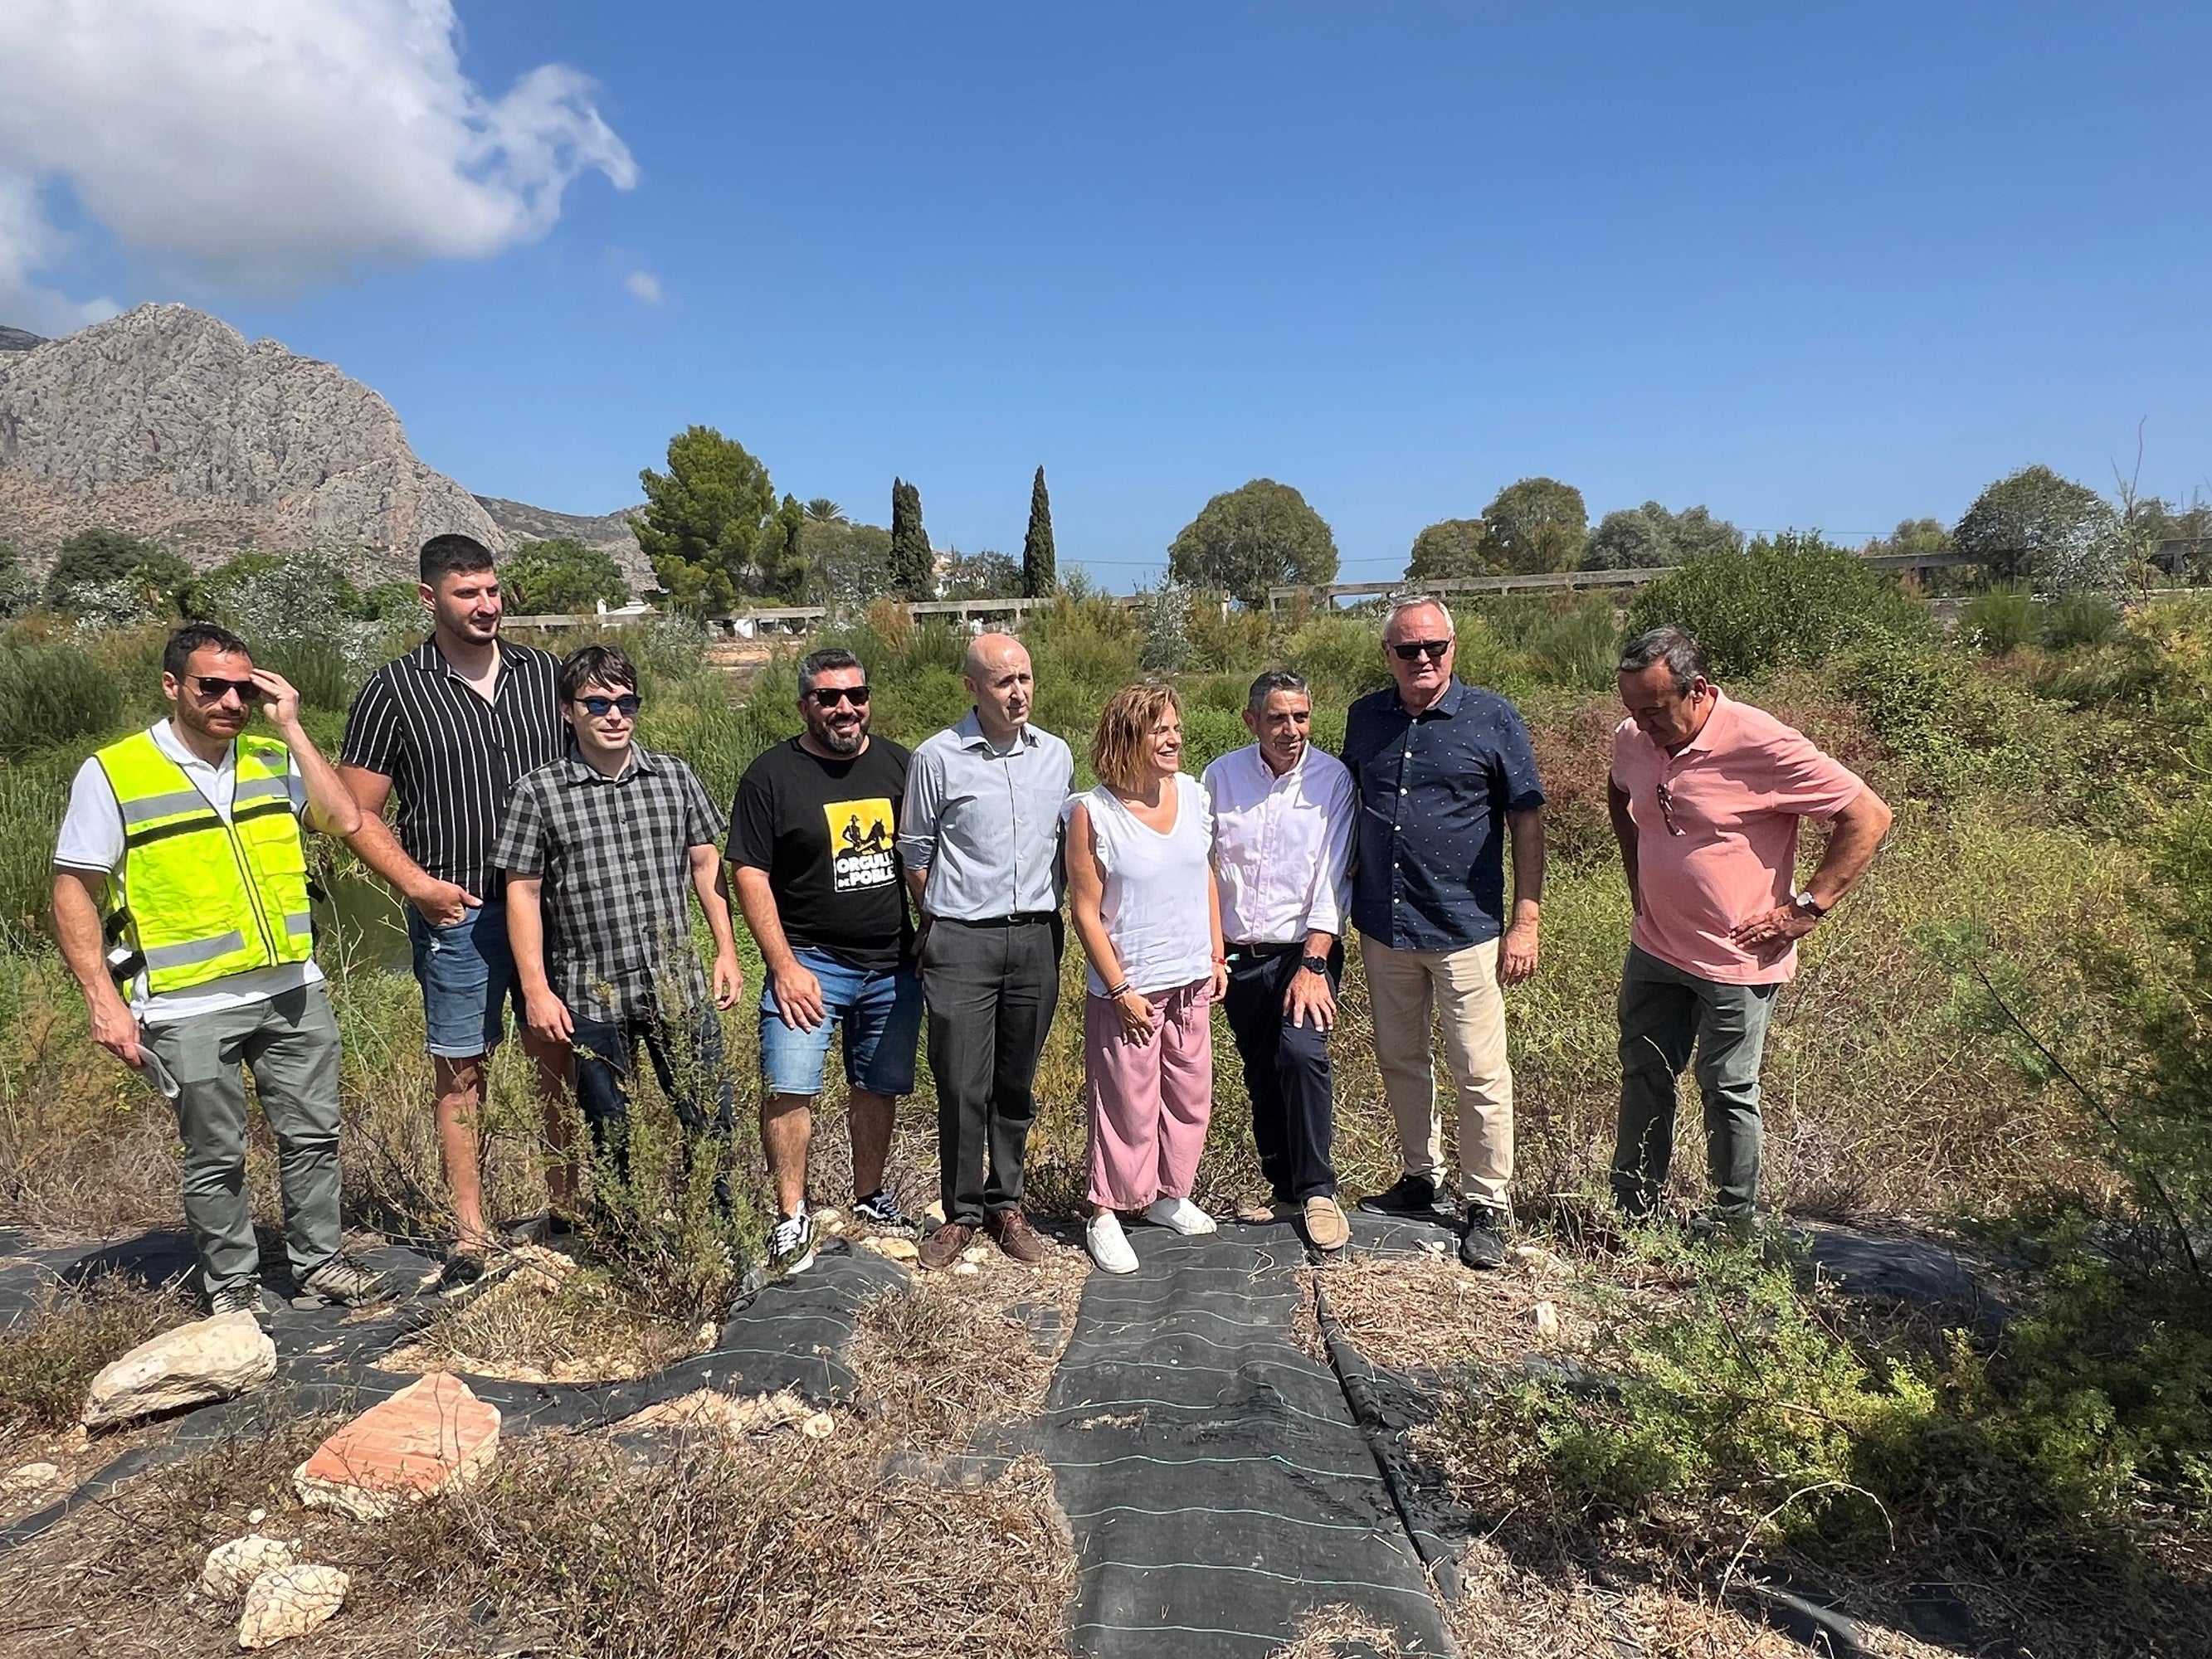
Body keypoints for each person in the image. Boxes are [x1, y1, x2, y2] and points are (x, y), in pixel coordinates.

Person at [51, 624, 390, 1316]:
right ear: (173, 685)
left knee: (312, 1136)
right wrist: (104, 1001)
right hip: (184, 1001)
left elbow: (344, 816)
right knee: (215, 1153)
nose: (230, 700)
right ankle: (233, 1287)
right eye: (213, 686)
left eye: (244, 687)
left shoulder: (270, 757)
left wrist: (293, 729)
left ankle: (319, 1265)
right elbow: (72, 889)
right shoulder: (116, 771)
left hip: (292, 988)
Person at [1606, 625, 1893, 1233]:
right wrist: (1638, 877)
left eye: (1655, 711)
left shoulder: (1763, 743)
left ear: (1698, 691)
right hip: (1655, 946)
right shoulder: (1633, 737)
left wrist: (1805, 910)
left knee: (1727, 1087)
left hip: (1737, 957)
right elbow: (1620, 791)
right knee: (1644, 1074)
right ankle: (1632, 1212)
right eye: (1632, 711)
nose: (1643, 726)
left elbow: (1868, 815)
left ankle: (1732, 1226)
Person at [341, 533, 570, 1283]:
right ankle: (471, 1233)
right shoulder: (393, 690)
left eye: (493, 591)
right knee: (461, 1065)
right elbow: (355, 811)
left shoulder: (545, 676)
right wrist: (418, 886)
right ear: (428, 598)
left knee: (557, 1054)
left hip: (552, 901)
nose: (485, 606)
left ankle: (566, 1209)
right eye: (467, 593)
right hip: (459, 909)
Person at [1341, 595, 1547, 1271]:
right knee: (1401, 1059)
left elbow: (1526, 819)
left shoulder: (1492, 717)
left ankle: (1488, 1201)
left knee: (1480, 1070)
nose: (1423, 659)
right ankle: (1418, 1177)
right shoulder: (1365, 718)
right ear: (1388, 656)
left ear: (1453, 647)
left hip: (1466, 928)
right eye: (1408, 650)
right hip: (1385, 926)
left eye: (1435, 647)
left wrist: (1527, 919)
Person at [495, 645, 742, 1204]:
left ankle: (727, 1232)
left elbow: (706, 865)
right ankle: (625, 1243)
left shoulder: (675, 777)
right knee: (611, 1130)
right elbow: (523, 892)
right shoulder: (538, 792)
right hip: (591, 992)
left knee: (708, 1115)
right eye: (597, 703)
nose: (614, 715)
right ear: (567, 711)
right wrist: (535, 989)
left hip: (676, 984)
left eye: (626, 702)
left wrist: (726, 951)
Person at [728, 647, 924, 1275]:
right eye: (829, 697)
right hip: (810, 964)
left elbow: (927, 857)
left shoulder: (903, 766)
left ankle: (869, 1197)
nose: (846, 708)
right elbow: (749, 872)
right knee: (790, 1088)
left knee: (878, 1086)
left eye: (856, 695)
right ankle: (791, 1216)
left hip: (893, 964)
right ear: (804, 705)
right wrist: (783, 965)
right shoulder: (771, 776)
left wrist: (933, 937)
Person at [898, 632, 1074, 1271]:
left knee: (1014, 1080)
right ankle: (961, 1213)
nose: (1019, 691)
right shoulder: (936, 759)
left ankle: (1008, 1205)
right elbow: (914, 851)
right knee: (960, 1081)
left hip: (1035, 938)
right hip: (962, 941)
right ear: (972, 688)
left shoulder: (1055, 756)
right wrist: (946, 915)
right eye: (1004, 681)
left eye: (1025, 677)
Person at [1066, 684, 1229, 1275]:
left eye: (1177, 726)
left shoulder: (1191, 793)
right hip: (1129, 988)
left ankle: (1167, 1196)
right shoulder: (1092, 812)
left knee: (1188, 1100)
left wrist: (1215, 955)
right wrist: (1118, 990)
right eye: (1161, 728)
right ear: (1127, 736)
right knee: (1126, 1106)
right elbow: (1086, 910)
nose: (1175, 738)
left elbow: (1205, 873)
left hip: (1191, 979)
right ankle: (1106, 1211)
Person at [1203, 669, 1357, 1253]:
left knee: (1301, 1054)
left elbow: (1332, 875)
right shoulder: (1220, 776)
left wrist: (1314, 965)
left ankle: (1319, 1189)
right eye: (1277, 718)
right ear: (1252, 722)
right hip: (1239, 954)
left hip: (1304, 951)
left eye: (1301, 717)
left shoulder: (1331, 780)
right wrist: (1213, 952)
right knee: (1262, 1073)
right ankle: (1285, 1189)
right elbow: (1206, 866)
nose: (1291, 730)